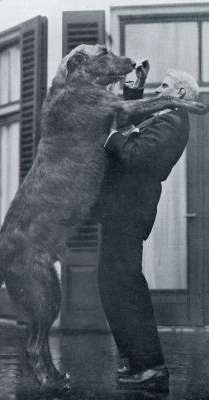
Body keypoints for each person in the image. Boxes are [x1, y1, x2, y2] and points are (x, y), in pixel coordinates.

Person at [96, 64, 199, 392]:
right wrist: (134, 91)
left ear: (180, 94)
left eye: (164, 86)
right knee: (114, 288)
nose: (158, 90)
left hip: (127, 213)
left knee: (126, 290)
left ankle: (150, 367)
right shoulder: (167, 117)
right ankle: (136, 362)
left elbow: (135, 155)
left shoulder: (173, 120)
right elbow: (137, 122)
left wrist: (111, 136)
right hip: (122, 212)